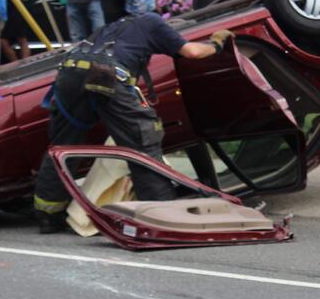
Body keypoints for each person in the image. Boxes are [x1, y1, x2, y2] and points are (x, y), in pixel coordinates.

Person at [32, 12, 234, 234]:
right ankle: (162, 216)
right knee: (142, 145)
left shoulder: (112, 28)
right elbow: (192, 52)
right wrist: (217, 43)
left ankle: (47, 215)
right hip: (106, 74)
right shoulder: (153, 22)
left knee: (64, 146)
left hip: (69, 74)